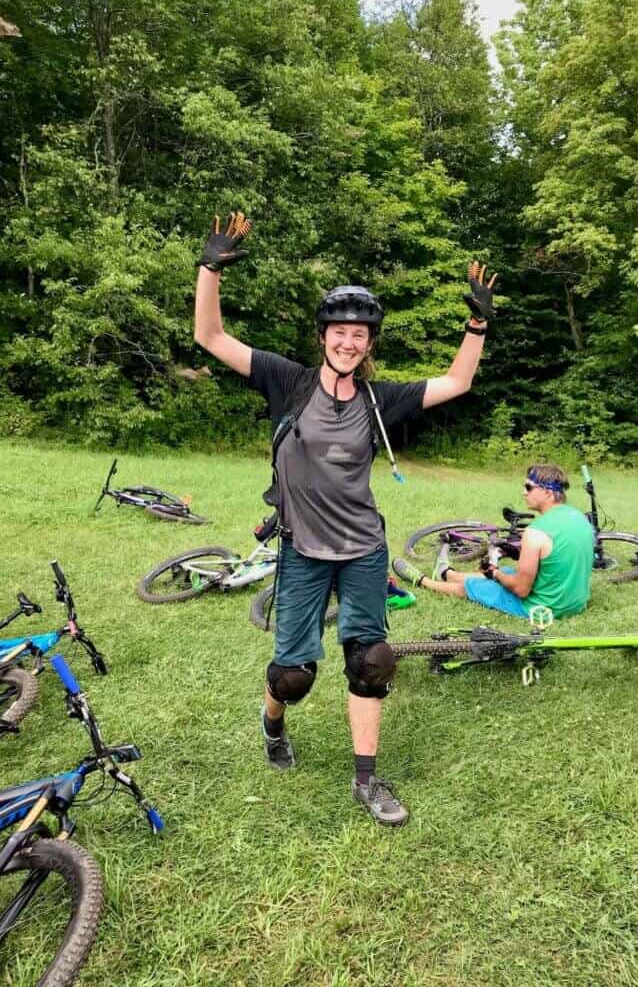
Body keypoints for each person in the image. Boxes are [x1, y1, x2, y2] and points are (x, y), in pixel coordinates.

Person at [193, 211, 497, 827]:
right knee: (293, 674)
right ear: (323, 336)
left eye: (360, 335)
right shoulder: (289, 382)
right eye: (339, 331)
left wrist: (477, 324)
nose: (348, 342)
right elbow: (212, 339)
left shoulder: (380, 401)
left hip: (362, 549)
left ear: (369, 343)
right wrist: (210, 272)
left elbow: (459, 381)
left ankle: (367, 778)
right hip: (303, 548)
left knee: (372, 660)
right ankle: (273, 726)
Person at [393, 463, 594, 621]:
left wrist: (495, 573)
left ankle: (423, 581)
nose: (524, 492)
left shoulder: (535, 532)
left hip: (543, 608)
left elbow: (522, 590)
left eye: (529, 487)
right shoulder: (580, 519)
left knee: (474, 587)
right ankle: (448, 574)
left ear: (548, 492)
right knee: (508, 573)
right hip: (575, 603)